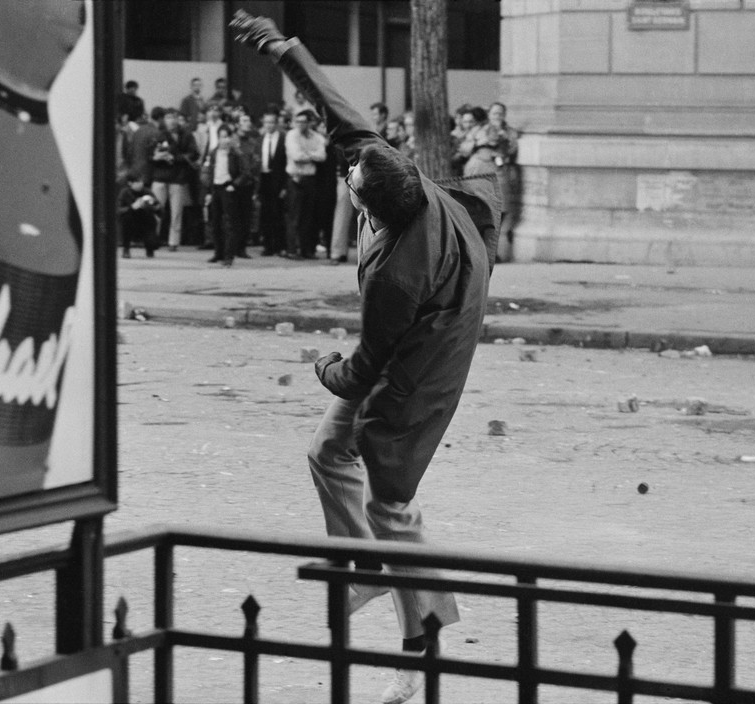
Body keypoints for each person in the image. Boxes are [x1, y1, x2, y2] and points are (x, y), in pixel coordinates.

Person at [233, 11, 500, 704]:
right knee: (327, 452)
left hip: (422, 366)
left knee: (395, 506)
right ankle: (368, 573)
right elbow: (335, 107)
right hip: (416, 334)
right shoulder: (389, 169)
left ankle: (425, 645)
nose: (343, 170)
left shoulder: (396, 274)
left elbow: (366, 366)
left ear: (366, 200)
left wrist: (321, 368)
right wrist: (281, 48)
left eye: (348, 175)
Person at [202, 123, 252, 266]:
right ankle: (218, 252)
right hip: (216, 188)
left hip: (228, 188)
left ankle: (229, 255)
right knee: (215, 222)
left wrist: (234, 184)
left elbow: (245, 173)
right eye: (221, 137)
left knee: (230, 223)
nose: (224, 140)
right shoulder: (213, 153)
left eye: (227, 137)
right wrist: (208, 191)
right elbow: (208, 172)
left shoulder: (236, 153)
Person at [150, 108, 199, 252]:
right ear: (164, 120)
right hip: (160, 175)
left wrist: (175, 158)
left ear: (178, 119)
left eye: (173, 117)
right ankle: (153, 238)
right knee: (156, 209)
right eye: (168, 117)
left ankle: (173, 241)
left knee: (176, 211)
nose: (171, 120)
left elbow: (194, 153)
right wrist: (156, 157)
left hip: (177, 177)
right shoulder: (158, 135)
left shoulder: (187, 135)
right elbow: (149, 155)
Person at [282, 108, 327, 259]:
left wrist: (306, 154)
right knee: (294, 216)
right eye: (297, 122)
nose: (300, 124)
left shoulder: (316, 137)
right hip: (295, 178)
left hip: (309, 179)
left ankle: (306, 250)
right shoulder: (291, 135)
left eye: (303, 122)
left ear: (309, 123)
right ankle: (291, 250)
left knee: (308, 217)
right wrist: (311, 155)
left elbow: (322, 156)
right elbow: (296, 156)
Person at [487, 101, 520, 262]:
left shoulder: (510, 132)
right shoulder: (482, 131)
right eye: (494, 113)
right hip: (484, 174)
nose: (497, 117)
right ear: (489, 115)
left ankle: (496, 252)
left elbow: (513, 149)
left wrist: (503, 138)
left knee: (501, 213)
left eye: (500, 113)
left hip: (502, 176)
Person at [256, 108, 287, 256]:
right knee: (265, 214)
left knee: (278, 213)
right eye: (266, 122)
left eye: (271, 122)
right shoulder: (260, 138)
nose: (268, 125)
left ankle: (279, 245)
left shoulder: (283, 138)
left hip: (278, 180)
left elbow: (286, 163)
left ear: (276, 123)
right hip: (264, 179)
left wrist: (285, 185)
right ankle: (267, 245)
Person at [233, 112, 261, 253]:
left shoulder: (252, 142)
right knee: (233, 217)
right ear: (237, 124)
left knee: (246, 216)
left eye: (248, 120)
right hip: (233, 183)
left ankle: (241, 248)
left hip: (247, 183)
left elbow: (256, 163)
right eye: (244, 120)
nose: (247, 123)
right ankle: (231, 246)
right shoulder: (232, 140)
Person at [118, 172, 160, 258]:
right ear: (130, 183)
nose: (140, 184)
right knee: (126, 220)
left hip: (145, 219)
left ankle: (150, 249)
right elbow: (118, 210)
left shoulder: (147, 191)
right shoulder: (125, 193)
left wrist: (153, 205)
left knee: (151, 222)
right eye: (137, 182)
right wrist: (132, 207)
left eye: (141, 182)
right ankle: (126, 249)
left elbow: (159, 208)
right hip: (131, 219)